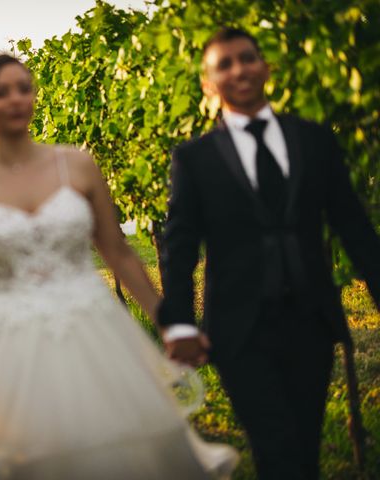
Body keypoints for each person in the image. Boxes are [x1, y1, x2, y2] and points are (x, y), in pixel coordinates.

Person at [0, 54, 238, 480]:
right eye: (1, 92)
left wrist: (169, 323)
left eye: (23, 88)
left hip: (93, 328)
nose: (15, 99)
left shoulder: (77, 164)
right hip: (8, 340)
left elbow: (118, 252)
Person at [158, 27, 380, 480]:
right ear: (208, 83)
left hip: (311, 321)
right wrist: (179, 322)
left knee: (303, 447)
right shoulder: (194, 159)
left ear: (265, 67)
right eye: (225, 63)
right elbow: (180, 246)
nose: (239, 69)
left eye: (248, 58)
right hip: (239, 329)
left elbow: (352, 225)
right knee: (275, 448)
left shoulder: (313, 140)